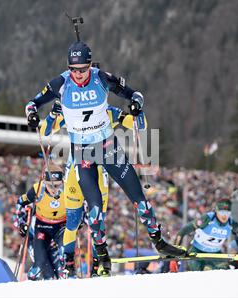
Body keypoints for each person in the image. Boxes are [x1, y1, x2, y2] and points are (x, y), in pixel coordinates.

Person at [24, 41, 186, 276]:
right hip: (83, 155)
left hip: (108, 148)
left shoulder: (102, 78)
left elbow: (136, 95)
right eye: (74, 69)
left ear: (90, 65)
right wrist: (32, 114)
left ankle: (161, 244)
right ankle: (102, 257)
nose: (78, 75)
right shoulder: (61, 83)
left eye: (83, 69)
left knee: (139, 199)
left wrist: (136, 106)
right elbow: (33, 103)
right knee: (95, 211)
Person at [41, 100, 149, 277]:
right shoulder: (71, 113)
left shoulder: (107, 111)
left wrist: (137, 113)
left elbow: (137, 124)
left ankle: (98, 264)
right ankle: (68, 264)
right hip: (76, 172)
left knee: (97, 221)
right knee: (73, 222)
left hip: (100, 173)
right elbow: (45, 130)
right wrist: (53, 114)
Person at [14, 163, 66, 280]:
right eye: (50, 185)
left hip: (61, 227)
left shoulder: (68, 189)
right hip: (42, 227)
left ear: (62, 182)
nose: (54, 190)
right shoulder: (37, 189)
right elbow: (20, 202)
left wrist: (80, 221)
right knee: (39, 265)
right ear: (44, 181)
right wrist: (21, 223)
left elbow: (82, 205)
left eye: (57, 185)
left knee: (65, 258)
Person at [174, 198, 238, 271]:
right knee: (202, 274)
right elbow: (182, 232)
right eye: (222, 212)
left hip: (215, 254)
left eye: (227, 213)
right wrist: (174, 255)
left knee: (226, 274)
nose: (224, 216)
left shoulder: (232, 224)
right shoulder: (207, 219)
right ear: (216, 211)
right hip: (197, 252)